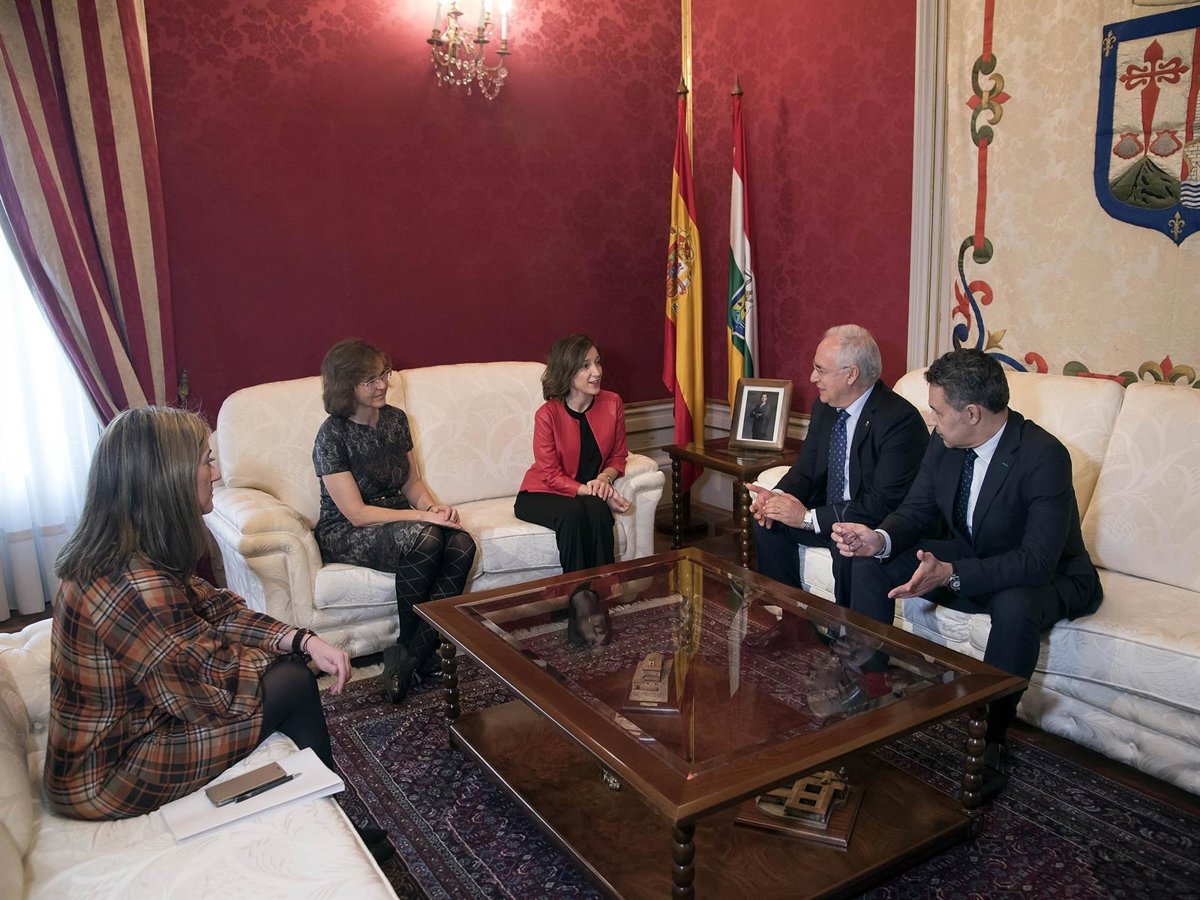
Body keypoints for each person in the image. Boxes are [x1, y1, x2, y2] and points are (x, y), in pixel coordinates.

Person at [43, 407, 392, 858]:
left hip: (133, 728)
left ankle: (330, 815)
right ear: (166, 477)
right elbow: (215, 691)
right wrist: (291, 657)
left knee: (288, 670)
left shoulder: (129, 552)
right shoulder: (135, 584)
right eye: (206, 461)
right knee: (291, 681)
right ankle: (336, 831)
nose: (216, 473)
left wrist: (301, 639)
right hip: (109, 774)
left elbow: (215, 607)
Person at [832, 348, 1103, 802]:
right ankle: (869, 691)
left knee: (1015, 605)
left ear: (972, 413)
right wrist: (879, 538)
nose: (932, 421)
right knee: (871, 562)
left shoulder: (1043, 456)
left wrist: (951, 573)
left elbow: (1037, 561)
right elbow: (917, 510)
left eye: (937, 411)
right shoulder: (945, 443)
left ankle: (990, 738)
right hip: (975, 556)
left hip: (1048, 575)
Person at [313, 339, 477, 704]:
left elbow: (411, 483)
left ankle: (410, 655)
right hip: (348, 530)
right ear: (346, 386)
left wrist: (434, 508)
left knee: (462, 541)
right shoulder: (331, 435)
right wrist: (421, 516)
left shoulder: (395, 420)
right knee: (428, 538)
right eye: (370, 380)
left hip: (400, 519)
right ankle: (414, 652)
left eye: (383, 374)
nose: (382, 384)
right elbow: (356, 513)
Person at [749, 325, 928, 607]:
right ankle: (789, 616)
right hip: (829, 513)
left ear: (851, 374)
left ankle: (844, 631)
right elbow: (806, 470)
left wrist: (807, 518)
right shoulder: (825, 407)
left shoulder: (899, 421)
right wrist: (777, 499)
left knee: (846, 543)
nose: (812, 378)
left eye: (820, 370)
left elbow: (881, 504)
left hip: (870, 523)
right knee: (769, 523)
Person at [515, 333, 631, 573]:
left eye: (597, 362)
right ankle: (577, 591)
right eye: (585, 366)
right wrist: (592, 490)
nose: (596, 372)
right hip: (540, 493)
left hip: (583, 493)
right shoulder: (547, 415)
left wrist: (604, 480)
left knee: (598, 510)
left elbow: (618, 456)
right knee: (572, 513)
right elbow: (549, 474)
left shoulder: (613, 403)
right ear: (567, 371)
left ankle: (606, 588)